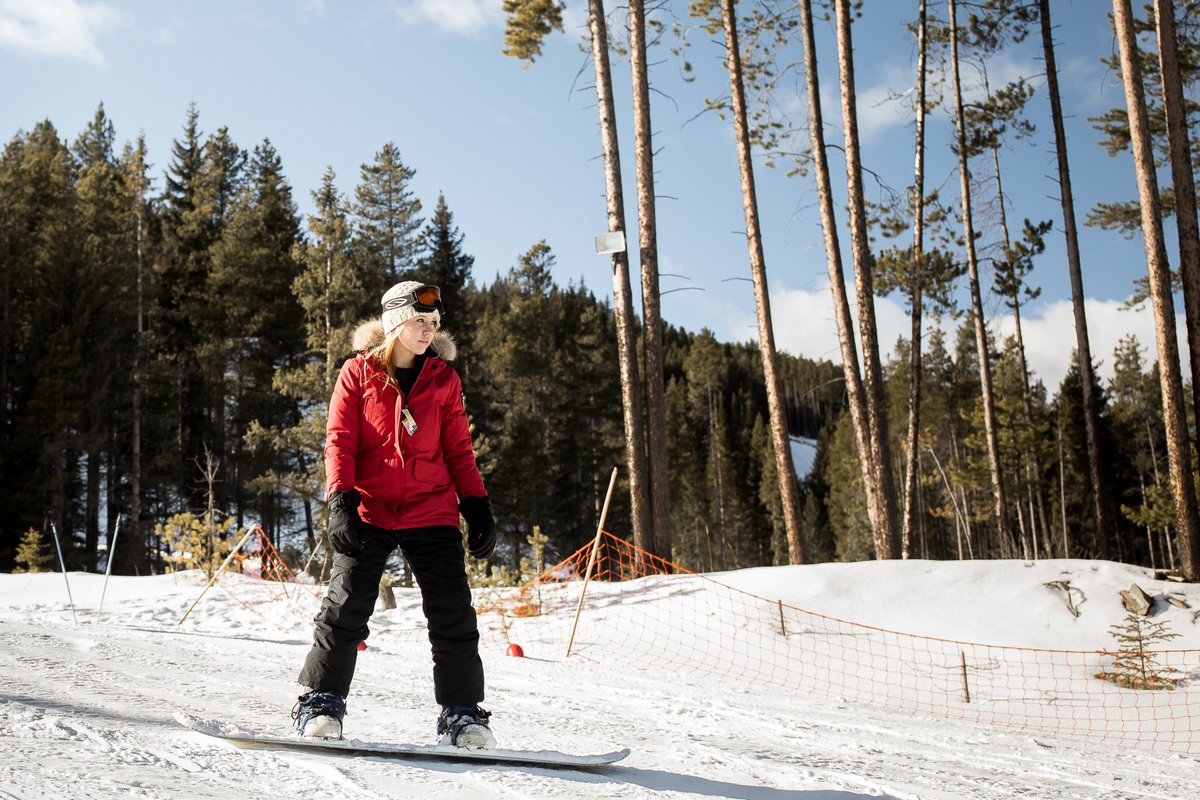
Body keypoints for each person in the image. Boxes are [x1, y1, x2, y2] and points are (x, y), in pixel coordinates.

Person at [292, 279, 498, 749]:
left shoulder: (444, 379)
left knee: (453, 614)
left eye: (433, 323)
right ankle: (321, 703)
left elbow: (459, 450)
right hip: (369, 505)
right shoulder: (358, 374)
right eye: (419, 320)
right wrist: (340, 501)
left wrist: (476, 505)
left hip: (431, 508)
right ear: (394, 322)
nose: (427, 330)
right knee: (345, 607)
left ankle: (462, 714)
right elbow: (340, 441)